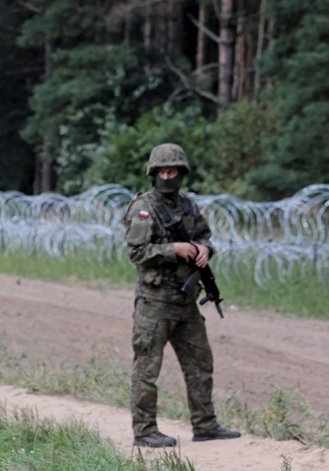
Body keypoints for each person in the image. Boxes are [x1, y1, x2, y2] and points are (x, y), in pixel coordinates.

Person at [123, 143, 241, 448]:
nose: (167, 175)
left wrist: (204, 250)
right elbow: (137, 252)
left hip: (186, 301)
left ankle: (205, 425)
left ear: (181, 172)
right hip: (155, 301)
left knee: (200, 363)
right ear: (153, 173)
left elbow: (203, 235)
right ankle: (145, 430)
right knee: (147, 367)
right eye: (162, 171)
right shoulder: (143, 208)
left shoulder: (189, 206)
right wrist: (173, 249)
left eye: (172, 170)